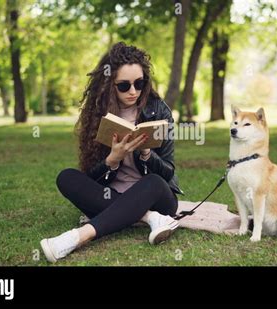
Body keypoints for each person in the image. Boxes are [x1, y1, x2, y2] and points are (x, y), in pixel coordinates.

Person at [40, 42, 183, 263]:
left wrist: (147, 155)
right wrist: (112, 161)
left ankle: (79, 236)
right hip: (113, 196)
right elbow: (90, 177)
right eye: (124, 86)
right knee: (66, 177)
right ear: (110, 84)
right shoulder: (98, 113)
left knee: (153, 182)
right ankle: (150, 218)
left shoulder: (158, 110)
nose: (133, 91)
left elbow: (168, 172)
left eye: (139, 83)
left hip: (156, 196)